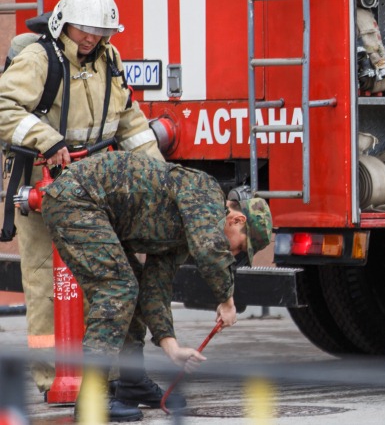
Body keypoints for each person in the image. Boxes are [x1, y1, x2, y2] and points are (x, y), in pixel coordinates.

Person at [0, 0, 167, 403]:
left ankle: (108, 376)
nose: (92, 37)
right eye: (84, 29)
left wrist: (162, 178)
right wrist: (46, 139)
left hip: (95, 189)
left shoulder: (109, 59)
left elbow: (129, 121)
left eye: (100, 31)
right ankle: (56, 378)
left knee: (104, 280)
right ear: (63, 24)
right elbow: (2, 105)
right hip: (46, 184)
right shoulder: (41, 59)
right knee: (46, 283)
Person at [41, 150, 273, 421]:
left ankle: (131, 382)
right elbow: (210, 251)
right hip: (76, 199)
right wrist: (227, 300)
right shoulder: (205, 193)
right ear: (237, 220)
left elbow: (155, 288)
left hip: (93, 209)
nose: (234, 255)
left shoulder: (185, 230)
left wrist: (171, 346)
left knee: (134, 286)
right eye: (241, 248)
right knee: (117, 289)